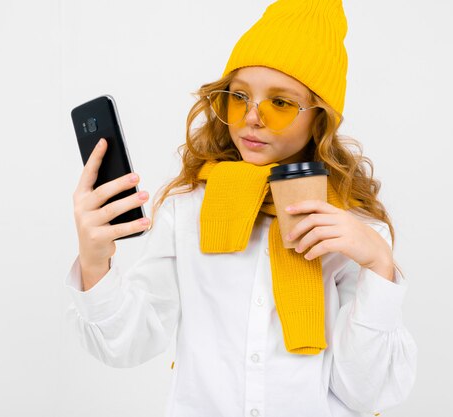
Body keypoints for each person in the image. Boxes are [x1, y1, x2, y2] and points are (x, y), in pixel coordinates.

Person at [66, 0, 418, 416]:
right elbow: (128, 343)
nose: (252, 117)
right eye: (239, 97)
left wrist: (378, 264)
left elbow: (367, 391)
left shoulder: (350, 230)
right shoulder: (188, 211)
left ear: (319, 119)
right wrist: (94, 261)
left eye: (280, 103)